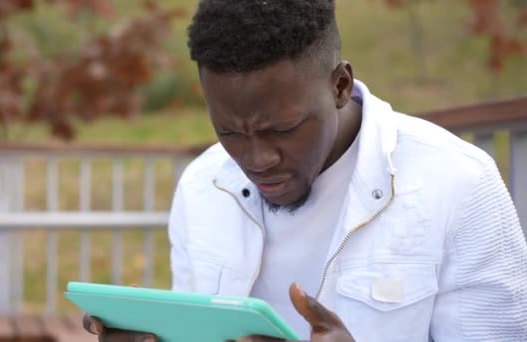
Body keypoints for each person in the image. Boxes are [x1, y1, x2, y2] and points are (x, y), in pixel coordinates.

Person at [83, 0, 527, 341]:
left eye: (284, 129)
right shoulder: (203, 185)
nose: (256, 160)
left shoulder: (459, 185)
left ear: (339, 86)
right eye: (230, 133)